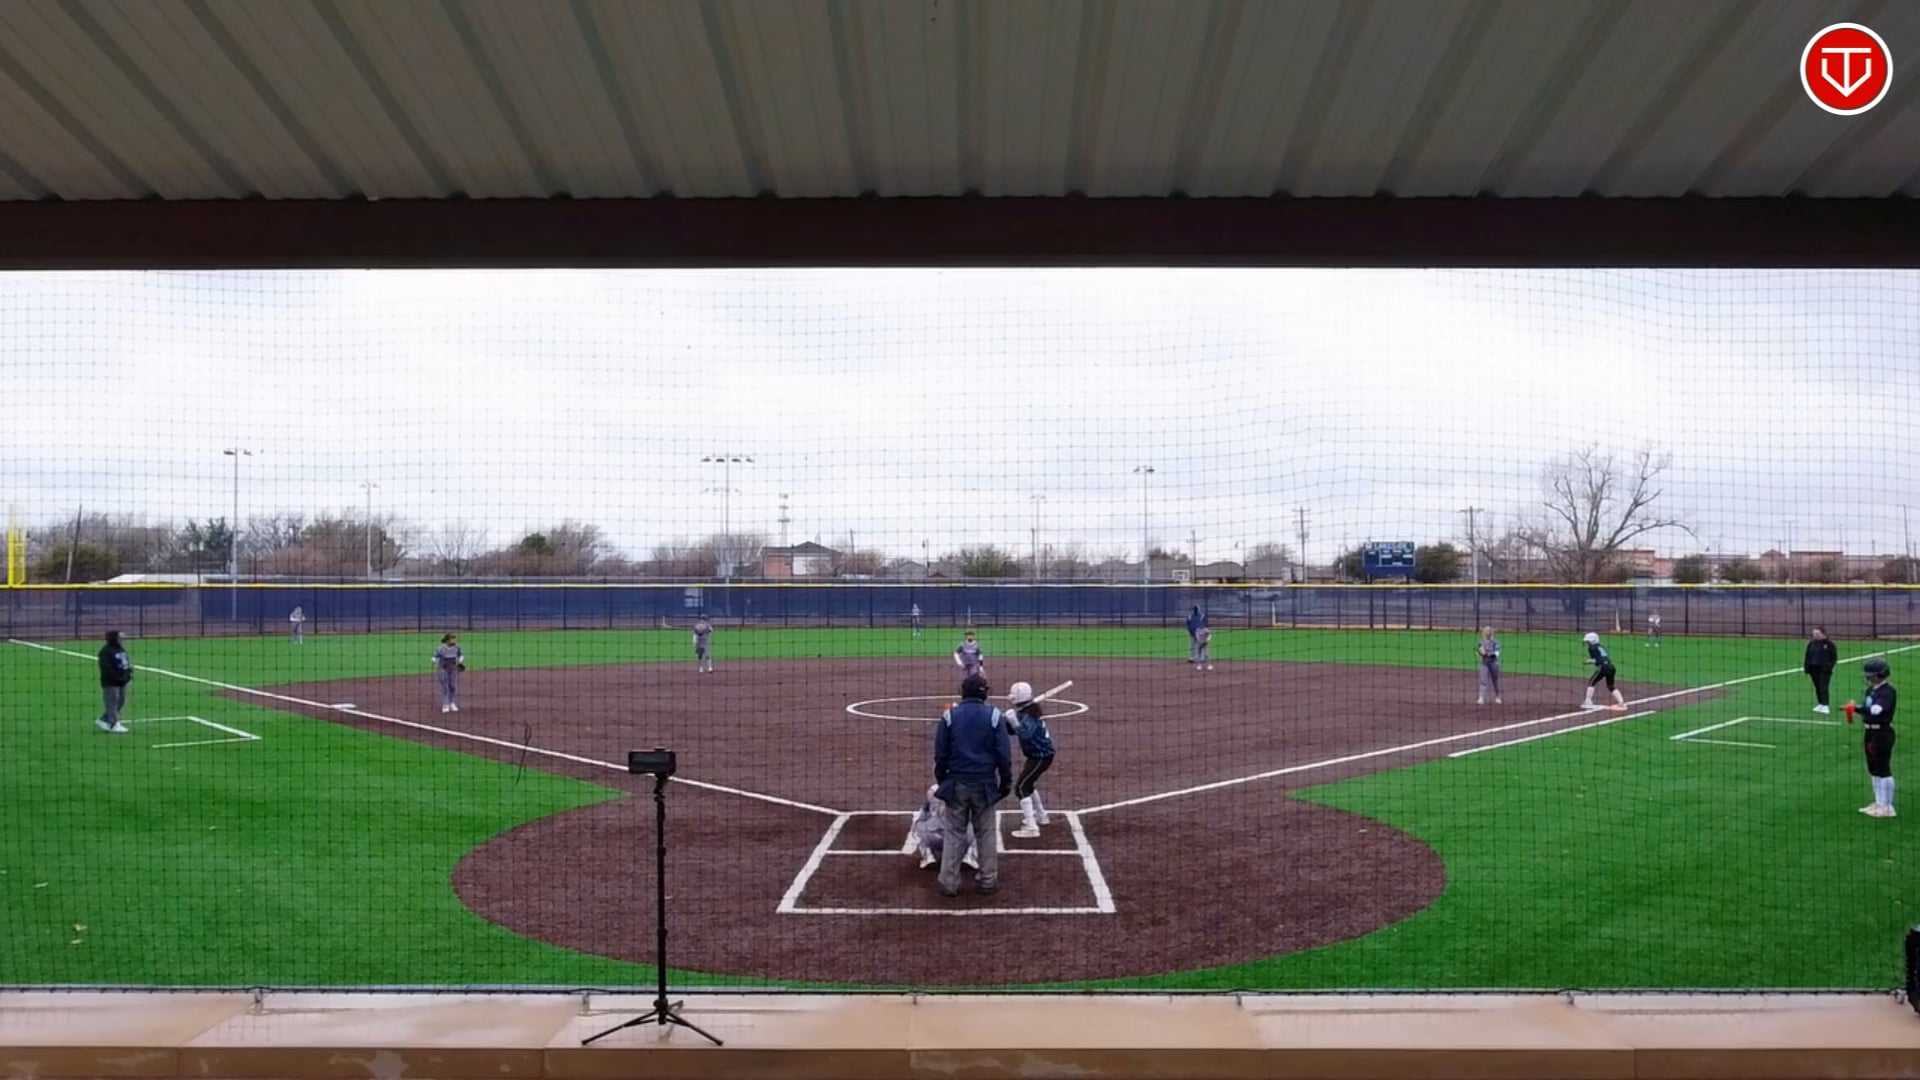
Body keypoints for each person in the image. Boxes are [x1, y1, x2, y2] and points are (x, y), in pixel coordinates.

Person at [932, 672, 1011, 896]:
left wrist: (943, 780)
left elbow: (940, 754)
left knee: (954, 833)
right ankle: (988, 880)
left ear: (962, 692)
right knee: (985, 833)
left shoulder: (949, 716)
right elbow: (1003, 755)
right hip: (985, 784)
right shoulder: (994, 716)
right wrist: (1005, 782)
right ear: (985, 694)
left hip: (956, 782)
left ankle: (948, 882)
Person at [1844, 656, 1897, 818]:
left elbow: (1876, 710)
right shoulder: (1871, 690)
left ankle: (1887, 807)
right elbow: (1868, 709)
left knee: (1883, 769)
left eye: (1870, 675)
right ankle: (1879, 803)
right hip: (1870, 732)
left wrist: (1860, 708)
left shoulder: (1887, 692)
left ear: (1879, 674)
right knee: (1873, 769)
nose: (1868, 678)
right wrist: (1854, 709)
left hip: (1882, 733)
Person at [1006, 681, 1056, 838]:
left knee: (1021, 788)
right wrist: (1007, 721)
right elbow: (1012, 731)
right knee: (1028, 784)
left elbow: (1026, 735)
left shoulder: (1028, 715)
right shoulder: (1026, 712)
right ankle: (1041, 816)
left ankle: (1031, 827)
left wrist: (1014, 721)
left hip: (1041, 756)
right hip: (1038, 755)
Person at [909, 784, 978, 871]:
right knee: (980, 825)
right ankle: (969, 857)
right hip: (959, 840)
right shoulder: (965, 790)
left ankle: (928, 857)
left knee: (917, 824)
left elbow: (923, 814)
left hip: (935, 838)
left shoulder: (933, 790)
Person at [96, 630, 132, 734]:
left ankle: (104, 719)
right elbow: (106, 668)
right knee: (112, 702)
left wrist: (128, 674)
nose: (123, 639)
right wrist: (117, 677)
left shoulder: (120, 649)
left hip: (122, 681)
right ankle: (114, 724)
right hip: (111, 682)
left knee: (121, 701)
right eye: (120, 637)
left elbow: (125, 662)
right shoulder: (106, 651)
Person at [1581, 632, 1626, 712]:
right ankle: (1621, 702)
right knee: (1610, 686)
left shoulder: (1592, 648)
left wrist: (1589, 661)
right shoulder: (1601, 647)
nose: (1587, 643)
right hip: (1611, 667)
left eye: (1588, 641)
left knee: (1591, 682)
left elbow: (1598, 660)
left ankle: (1588, 701)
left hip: (1603, 667)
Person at [1804, 627, 1838, 715]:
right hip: (1813, 669)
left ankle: (1826, 705)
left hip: (1824, 670)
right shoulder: (1811, 643)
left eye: (1817, 634)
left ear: (1823, 634)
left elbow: (1834, 657)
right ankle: (1820, 704)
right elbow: (1807, 656)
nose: (1815, 635)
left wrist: (1829, 667)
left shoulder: (1829, 644)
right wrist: (1806, 668)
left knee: (1823, 687)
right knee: (1817, 687)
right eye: (1814, 634)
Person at [433, 633, 465, 713]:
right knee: (445, 686)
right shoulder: (440, 648)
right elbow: (434, 657)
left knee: (452, 686)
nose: (454, 640)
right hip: (443, 668)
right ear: (447, 640)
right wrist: (437, 662)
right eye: (452, 639)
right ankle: (445, 704)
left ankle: (452, 703)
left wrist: (460, 662)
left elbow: (461, 655)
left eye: (454, 639)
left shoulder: (457, 648)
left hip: (453, 669)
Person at [1476, 627, 1503, 706]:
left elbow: (1497, 653)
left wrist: (1489, 654)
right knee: (1483, 680)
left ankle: (1498, 697)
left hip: (1494, 663)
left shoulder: (1495, 642)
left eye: (1489, 631)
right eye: (1486, 631)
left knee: (1495, 680)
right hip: (1484, 663)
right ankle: (1481, 698)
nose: (1488, 633)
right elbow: (1479, 651)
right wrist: (1481, 653)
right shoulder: (1481, 642)